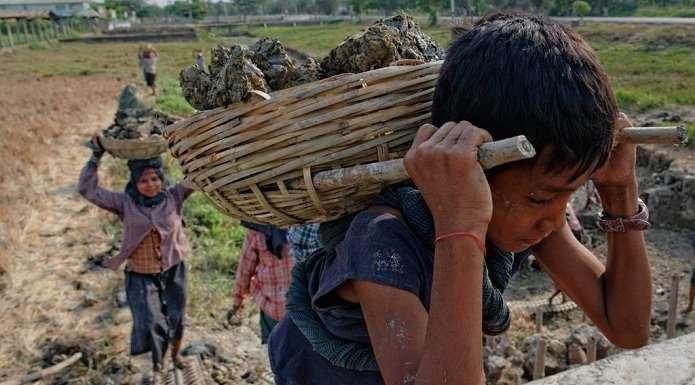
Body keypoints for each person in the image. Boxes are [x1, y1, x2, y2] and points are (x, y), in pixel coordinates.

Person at [268, 12, 652, 385]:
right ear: (474, 173)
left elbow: (627, 327)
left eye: (569, 195)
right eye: (540, 199)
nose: (554, 221)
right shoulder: (382, 242)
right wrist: (461, 223)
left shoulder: (525, 210)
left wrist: (620, 191)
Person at [78, 135, 193, 385]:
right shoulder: (124, 203)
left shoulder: (174, 196)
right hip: (141, 273)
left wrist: (193, 143)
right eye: (143, 180)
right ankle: (158, 364)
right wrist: (96, 157)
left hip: (174, 268)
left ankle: (176, 356)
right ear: (134, 182)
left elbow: (198, 176)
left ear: (162, 179)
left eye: (155, 179)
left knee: (177, 317)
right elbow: (88, 190)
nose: (150, 185)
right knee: (151, 321)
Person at [231, 222, 295, 344]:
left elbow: (245, 270)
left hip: (272, 307)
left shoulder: (256, 230)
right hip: (303, 307)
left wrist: (237, 301)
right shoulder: (302, 225)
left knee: (275, 353)